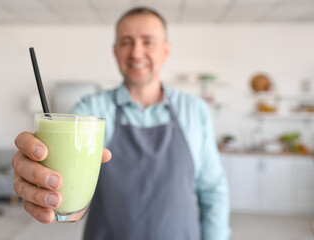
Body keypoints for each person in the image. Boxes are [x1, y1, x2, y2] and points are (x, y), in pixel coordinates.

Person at [12, 7, 230, 240]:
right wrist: (44, 182)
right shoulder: (91, 112)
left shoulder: (195, 111)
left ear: (165, 51)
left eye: (148, 42)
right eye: (127, 42)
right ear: (115, 51)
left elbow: (213, 191)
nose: (136, 52)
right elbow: (65, 177)